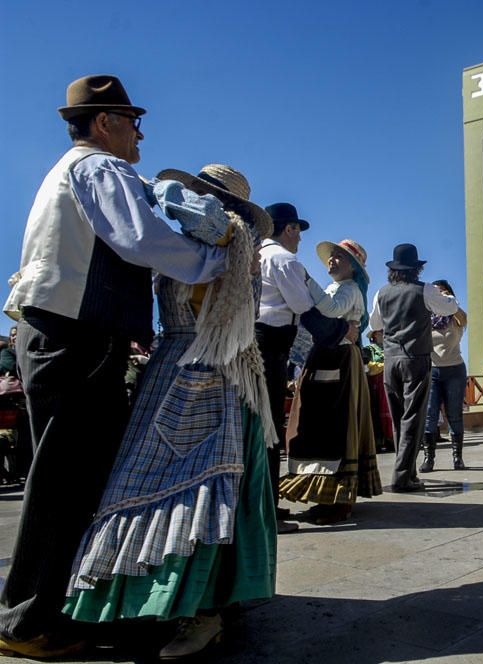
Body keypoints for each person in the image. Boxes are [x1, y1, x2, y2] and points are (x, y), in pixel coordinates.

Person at [0, 75, 229, 659]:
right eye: (132, 122)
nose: (140, 135)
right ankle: (26, 621)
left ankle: (57, 608)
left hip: (64, 335)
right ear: (105, 123)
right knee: (65, 479)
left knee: (74, 475)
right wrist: (214, 262)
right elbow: (141, 238)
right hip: (79, 337)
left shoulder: (66, 172)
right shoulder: (101, 169)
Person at [58, 164, 281, 659]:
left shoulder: (229, 233)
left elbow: (193, 213)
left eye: (207, 192)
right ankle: (165, 603)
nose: (197, 198)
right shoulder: (198, 241)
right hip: (178, 363)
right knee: (153, 483)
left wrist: (159, 189)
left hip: (211, 371)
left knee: (202, 486)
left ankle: (203, 611)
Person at [256, 202, 354, 534]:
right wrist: (341, 331)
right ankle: (265, 510)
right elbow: (303, 306)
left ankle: (265, 501)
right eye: (298, 231)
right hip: (268, 346)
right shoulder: (284, 260)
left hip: (261, 343)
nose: (299, 240)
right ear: (290, 229)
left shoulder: (258, 254)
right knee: (267, 429)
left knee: (262, 425)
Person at [279, 240, 381, 524]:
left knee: (335, 425)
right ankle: (326, 495)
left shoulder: (348, 291)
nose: (332, 261)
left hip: (338, 361)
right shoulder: (339, 289)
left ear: (354, 267)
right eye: (332, 257)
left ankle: (338, 498)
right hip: (326, 357)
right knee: (318, 425)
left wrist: (305, 279)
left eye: (339, 258)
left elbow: (330, 309)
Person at [370, 243, 458, 492]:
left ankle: (408, 472)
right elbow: (450, 307)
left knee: (399, 418)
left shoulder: (382, 292)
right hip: (416, 358)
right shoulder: (424, 290)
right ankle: (401, 476)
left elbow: (374, 322)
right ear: (416, 269)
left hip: (390, 359)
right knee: (412, 418)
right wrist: (448, 296)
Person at [420, 279, 468, 472]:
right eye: (436, 292)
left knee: (454, 415)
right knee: (430, 415)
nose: (439, 295)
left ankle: (458, 458)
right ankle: (428, 459)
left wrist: (449, 301)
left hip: (455, 369)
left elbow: (463, 319)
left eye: (443, 292)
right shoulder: (426, 317)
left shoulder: (456, 317)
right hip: (432, 370)